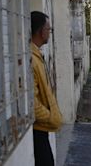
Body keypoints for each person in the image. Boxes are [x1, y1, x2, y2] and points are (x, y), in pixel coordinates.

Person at [31, 11, 62, 166]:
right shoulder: (31, 58)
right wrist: (51, 117)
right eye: (48, 29)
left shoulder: (36, 55)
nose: (50, 32)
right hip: (37, 129)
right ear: (40, 32)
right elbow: (31, 102)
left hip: (41, 129)